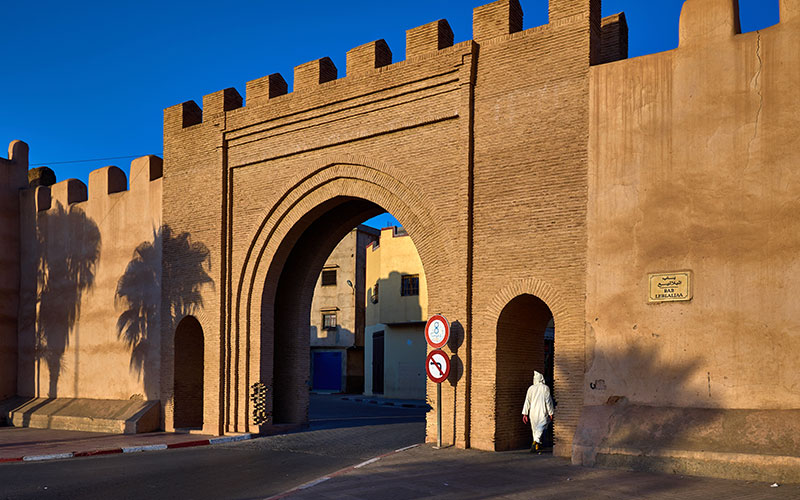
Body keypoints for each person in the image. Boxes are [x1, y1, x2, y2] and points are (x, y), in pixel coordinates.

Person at [522, 370, 554, 453]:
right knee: (541, 427)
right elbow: (548, 401)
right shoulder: (545, 388)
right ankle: (535, 443)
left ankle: (537, 444)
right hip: (542, 411)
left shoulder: (531, 388)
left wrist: (525, 413)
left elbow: (527, 401)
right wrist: (551, 412)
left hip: (532, 412)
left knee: (535, 429)